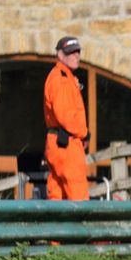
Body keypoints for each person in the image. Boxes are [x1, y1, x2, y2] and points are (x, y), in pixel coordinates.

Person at [43, 36, 90, 200]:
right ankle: (80, 227)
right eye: (71, 53)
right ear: (60, 55)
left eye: (78, 52)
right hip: (66, 145)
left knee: (57, 196)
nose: (76, 55)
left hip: (58, 142)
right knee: (78, 197)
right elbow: (66, 116)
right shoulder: (61, 79)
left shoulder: (64, 77)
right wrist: (84, 133)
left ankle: (56, 226)